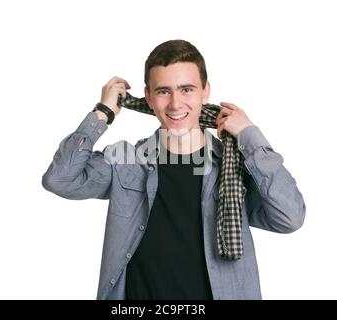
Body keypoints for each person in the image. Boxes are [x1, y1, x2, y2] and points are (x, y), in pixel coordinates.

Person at [42, 39, 306, 300]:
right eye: (164, 91)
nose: (176, 104)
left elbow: (289, 218)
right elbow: (60, 179)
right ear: (149, 97)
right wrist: (103, 112)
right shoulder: (125, 160)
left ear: (205, 91)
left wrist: (250, 136)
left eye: (187, 89)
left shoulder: (236, 166)